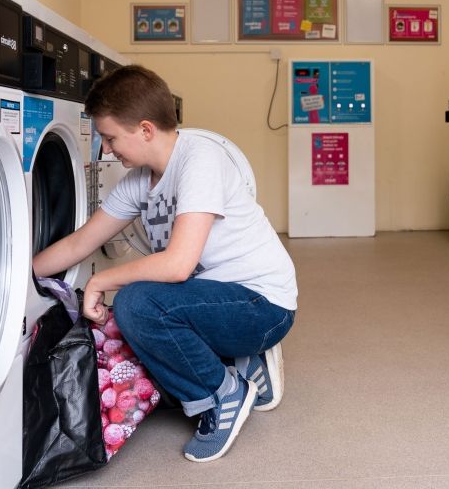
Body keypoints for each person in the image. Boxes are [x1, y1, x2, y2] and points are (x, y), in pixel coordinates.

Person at [33, 65, 297, 462]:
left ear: (144, 129)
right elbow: (82, 242)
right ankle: (243, 360)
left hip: (263, 306)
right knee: (137, 317)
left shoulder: (200, 158)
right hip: (218, 299)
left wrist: (100, 281)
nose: (106, 150)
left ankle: (223, 393)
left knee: (137, 304)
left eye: (109, 137)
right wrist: (19, 272)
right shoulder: (141, 180)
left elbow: (177, 265)